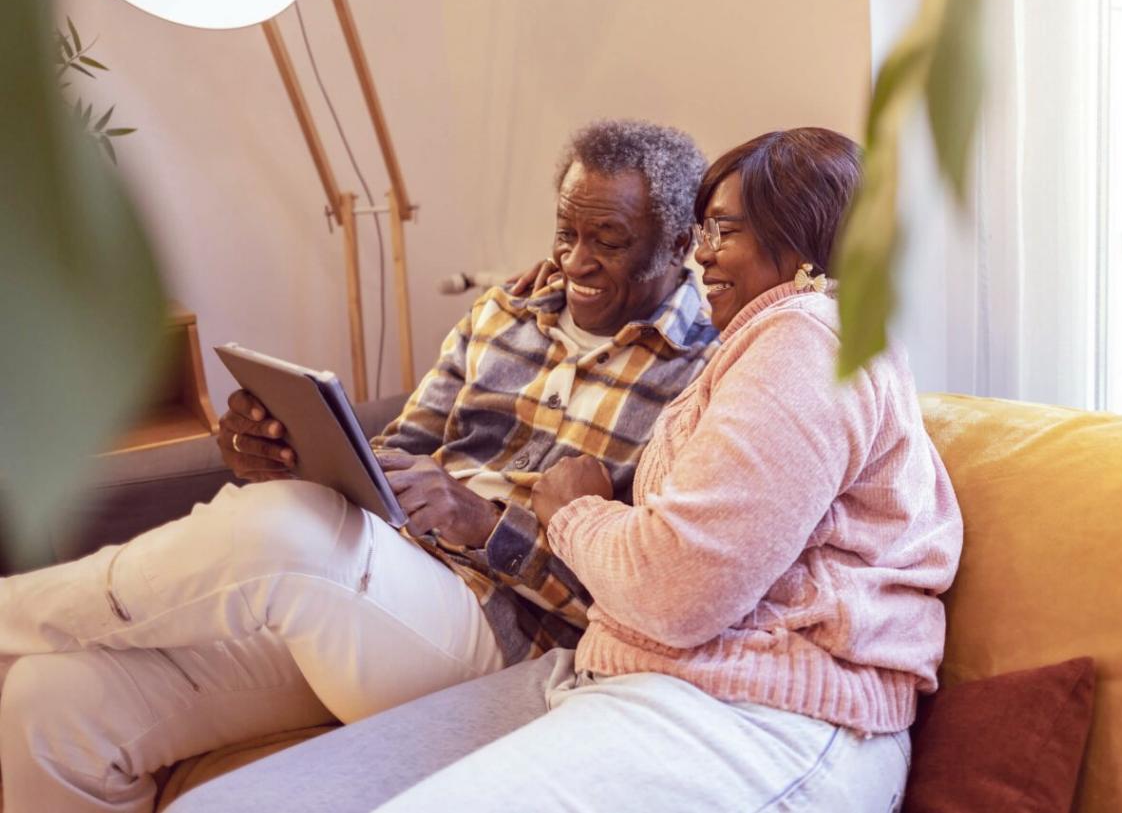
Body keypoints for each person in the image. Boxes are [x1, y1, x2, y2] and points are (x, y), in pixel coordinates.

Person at [171, 127, 964, 813]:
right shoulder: (765, 348)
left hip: (762, 713)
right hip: (619, 675)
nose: (702, 256)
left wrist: (574, 507)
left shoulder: (808, 337)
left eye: (722, 231)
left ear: (803, 246)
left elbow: (677, 589)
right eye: (702, 230)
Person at [0, 119, 719, 813]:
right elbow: (399, 450)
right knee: (50, 704)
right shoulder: (507, 311)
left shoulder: (705, 376)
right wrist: (288, 456)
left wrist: (483, 522)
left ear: (679, 242)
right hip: (376, 598)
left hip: (503, 636)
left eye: (609, 240)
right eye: (566, 232)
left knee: (289, 530)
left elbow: (646, 595)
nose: (575, 261)